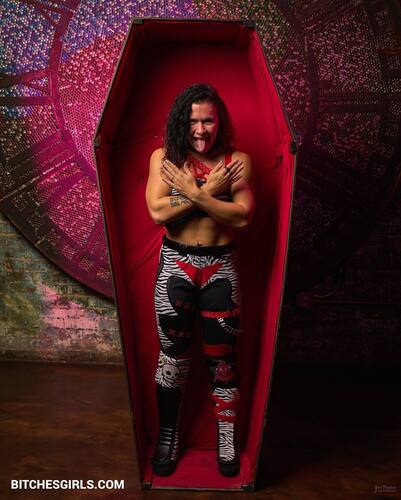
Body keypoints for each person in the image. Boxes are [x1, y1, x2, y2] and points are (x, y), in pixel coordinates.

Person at [145, 83, 254, 477]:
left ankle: (226, 438)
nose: (201, 129)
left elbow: (242, 217)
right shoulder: (165, 159)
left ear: (219, 121)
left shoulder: (237, 161)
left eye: (208, 120)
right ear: (182, 122)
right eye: (193, 121)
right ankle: (168, 435)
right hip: (175, 267)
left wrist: (192, 192)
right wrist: (210, 191)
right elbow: (158, 213)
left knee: (223, 360)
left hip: (220, 269)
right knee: (172, 357)